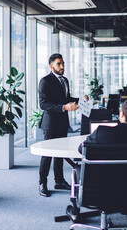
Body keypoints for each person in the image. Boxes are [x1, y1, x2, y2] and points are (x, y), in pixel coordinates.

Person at [67, 97, 127, 221]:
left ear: (121, 113)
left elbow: (82, 150)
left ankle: (75, 210)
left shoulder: (101, 132)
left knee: (76, 170)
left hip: (92, 193)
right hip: (123, 195)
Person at [38, 53, 87, 197]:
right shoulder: (45, 81)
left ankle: (59, 180)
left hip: (62, 122)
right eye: (59, 64)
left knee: (60, 153)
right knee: (47, 154)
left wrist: (81, 99)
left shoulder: (65, 80)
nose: (62, 66)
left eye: (63, 63)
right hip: (50, 123)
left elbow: (66, 99)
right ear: (51, 65)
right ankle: (42, 183)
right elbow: (43, 104)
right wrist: (64, 107)